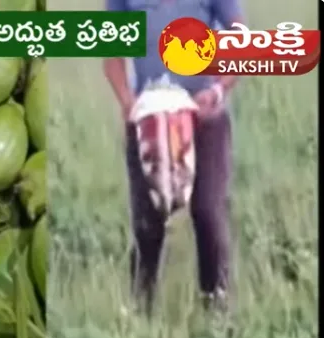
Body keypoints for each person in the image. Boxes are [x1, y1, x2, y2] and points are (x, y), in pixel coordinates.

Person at [103, 0, 243, 317]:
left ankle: (216, 313)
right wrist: (128, 102)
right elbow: (111, 56)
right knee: (147, 222)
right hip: (150, 118)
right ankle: (140, 314)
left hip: (204, 115)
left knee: (208, 212)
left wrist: (217, 92)